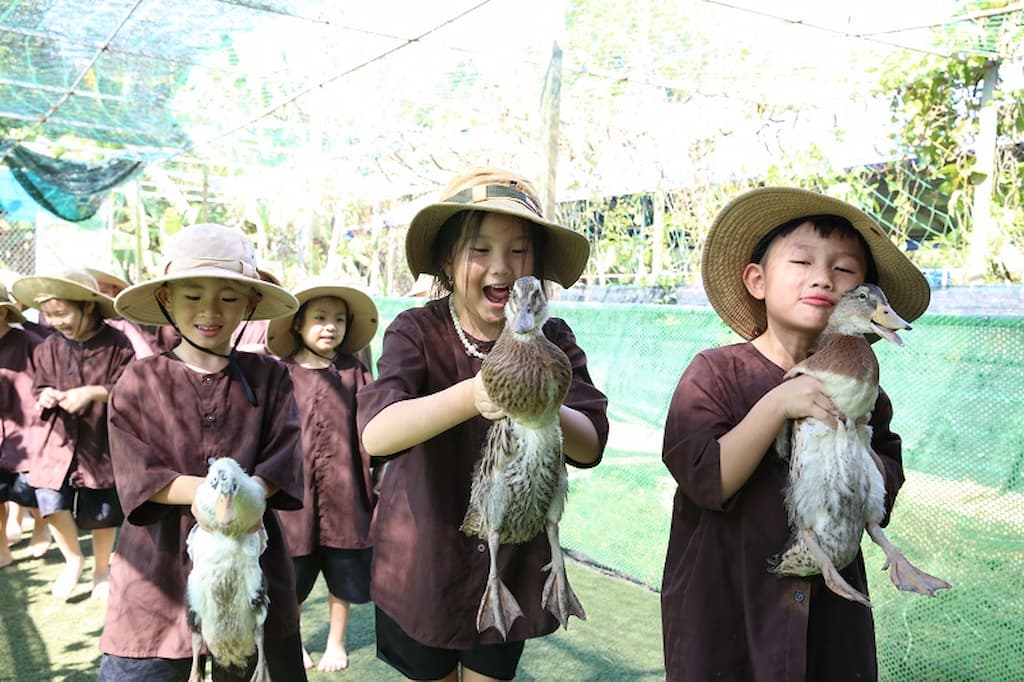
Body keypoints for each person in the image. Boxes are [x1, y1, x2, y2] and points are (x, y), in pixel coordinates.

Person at [660, 187, 931, 681]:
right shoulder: (714, 374)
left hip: (829, 622)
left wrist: (857, 433)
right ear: (757, 280)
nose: (823, 277)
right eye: (802, 261)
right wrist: (778, 404)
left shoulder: (868, 392)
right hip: (730, 616)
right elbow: (706, 480)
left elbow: (884, 484)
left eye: (845, 270)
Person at [357, 168, 609, 682]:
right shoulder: (417, 331)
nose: (502, 267)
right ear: (449, 261)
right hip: (424, 565)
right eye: (480, 250)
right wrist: (475, 394)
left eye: (519, 251)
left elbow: (590, 445)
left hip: (509, 568)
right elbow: (376, 433)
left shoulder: (554, 336)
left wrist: (543, 400)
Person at [95, 223, 307, 682]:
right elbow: (136, 471)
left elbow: (284, 458)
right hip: (156, 576)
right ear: (167, 299)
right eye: (192, 296)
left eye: (229, 297)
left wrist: (244, 497)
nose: (210, 311)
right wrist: (212, 497)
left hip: (252, 565)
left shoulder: (271, 377)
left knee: (253, 660)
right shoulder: (139, 381)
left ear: (250, 303)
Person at [266, 279, 379, 673]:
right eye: (319, 318)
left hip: (346, 496)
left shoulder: (353, 372)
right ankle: (291, 642)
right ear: (297, 324)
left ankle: (336, 642)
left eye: (338, 319)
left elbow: (372, 428)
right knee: (289, 579)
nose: (329, 326)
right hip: (293, 501)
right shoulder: (279, 373)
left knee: (341, 577)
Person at [11, 270, 135, 599]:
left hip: (100, 441)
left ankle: (101, 570)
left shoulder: (117, 343)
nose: (56, 322)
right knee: (50, 499)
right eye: (49, 316)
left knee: (103, 511)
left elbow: (130, 390)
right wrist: (46, 395)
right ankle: (73, 559)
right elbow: (38, 386)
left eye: (62, 314)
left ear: (88, 307)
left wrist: (93, 392)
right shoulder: (48, 346)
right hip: (56, 439)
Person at [0, 280, 50, 567]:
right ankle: (2, 547)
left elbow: (50, 377)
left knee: (29, 491)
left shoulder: (29, 342)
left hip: (29, 432)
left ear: (4, 313)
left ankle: (42, 525)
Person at [86, 267, 157, 359]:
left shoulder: (125, 322)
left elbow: (145, 357)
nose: (99, 298)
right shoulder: (89, 324)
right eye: (94, 294)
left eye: (103, 292)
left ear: (115, 292)